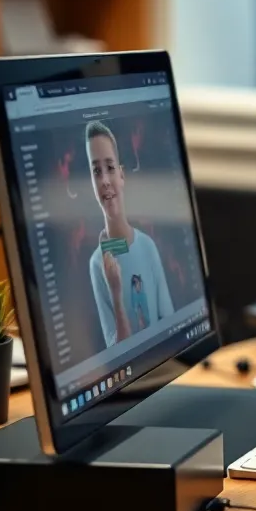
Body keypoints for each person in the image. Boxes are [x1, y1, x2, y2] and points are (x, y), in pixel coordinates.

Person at [86, 120, 174, 348]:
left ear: (122, 175)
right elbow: (118, 352)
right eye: (96, 171)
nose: (105, 180)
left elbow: (170, 325)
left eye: (110, 168)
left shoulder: (147, 246)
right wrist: (115, 292)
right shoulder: (97, 264)